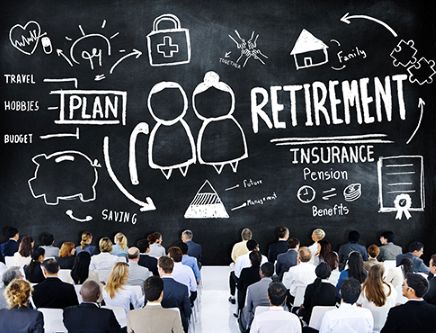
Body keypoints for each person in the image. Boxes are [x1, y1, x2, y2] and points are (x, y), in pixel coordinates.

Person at [357, 265, 396, 331]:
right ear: (383, 276)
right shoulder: (390, 287)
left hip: (368, 324)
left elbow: (358, 304)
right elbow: (393, 303)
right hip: (385, 324)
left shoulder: (363, 288)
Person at [158, 256, 191, 333]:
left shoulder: (153, 287)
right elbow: (188, 311)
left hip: (158, 325)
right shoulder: (183, 288)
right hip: (179, 325)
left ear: (160, 269)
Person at [242, 262, 274, 330]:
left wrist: (249, 326)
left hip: (256, 320)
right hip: (274, 319)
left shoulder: (251, 288)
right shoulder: (279, 288)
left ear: (261, 273)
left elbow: (249, 309)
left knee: (244, 310)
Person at [229, 228, 253, 304]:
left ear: (242, 236)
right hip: (253, 273)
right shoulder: (254, 245)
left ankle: (232, 296)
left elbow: (233, 257)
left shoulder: (237, 245)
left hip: (240, 276)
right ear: (251, 236)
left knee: (232, 275)